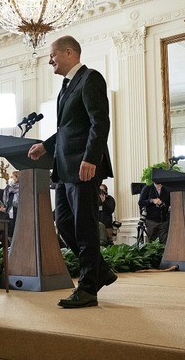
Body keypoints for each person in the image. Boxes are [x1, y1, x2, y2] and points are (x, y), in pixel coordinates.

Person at [27, 35, 116, 309]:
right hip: (64, 169)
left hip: (84, 167)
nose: (50, 60)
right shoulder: (67, 86)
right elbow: (68, 128)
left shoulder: (90, 78)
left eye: (52, 55)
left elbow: (99, 122)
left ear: (69, 52)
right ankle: (100, 271)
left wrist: (92, 157)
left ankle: (88, 288)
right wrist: (46, 145)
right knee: (65, 224)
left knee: (85, 227)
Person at [2, 171, 19, 238]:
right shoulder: (8, 188)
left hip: (18, 211)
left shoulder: (22, 188)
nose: (10, 179)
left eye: (12, 177)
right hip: (9, 212)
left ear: (17, 178)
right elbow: (6, 200)